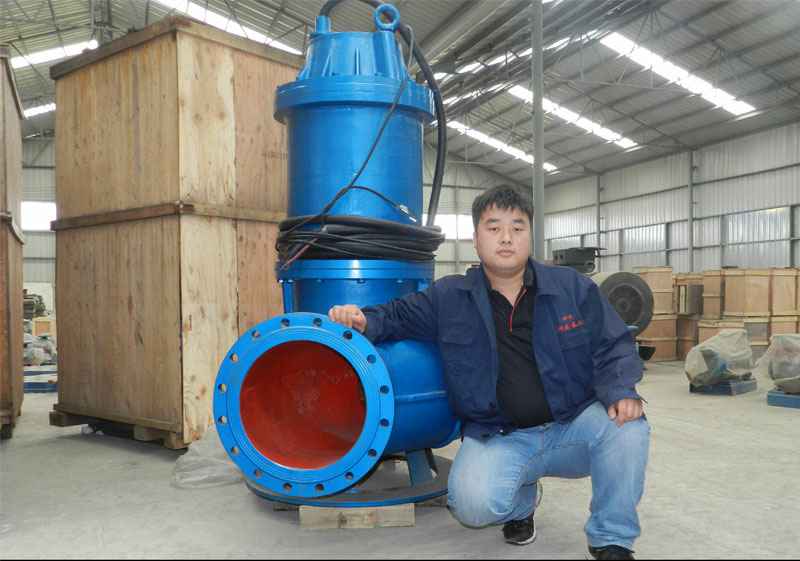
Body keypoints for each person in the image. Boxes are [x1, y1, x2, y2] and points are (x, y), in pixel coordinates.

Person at [328, 185, 650, 560]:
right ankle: (521, 504)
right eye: (494, 227)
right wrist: (362, 318)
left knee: (628, 429)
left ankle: (611, 540)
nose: (506, 238)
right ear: (476, 238)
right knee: (472, 506)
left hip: (572, 425)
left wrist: (621, 389)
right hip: (502, 435)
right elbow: (396, 316)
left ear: (530, 236)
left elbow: (613, 342)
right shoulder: (449, 297)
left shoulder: (572, 288)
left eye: (517, 227)